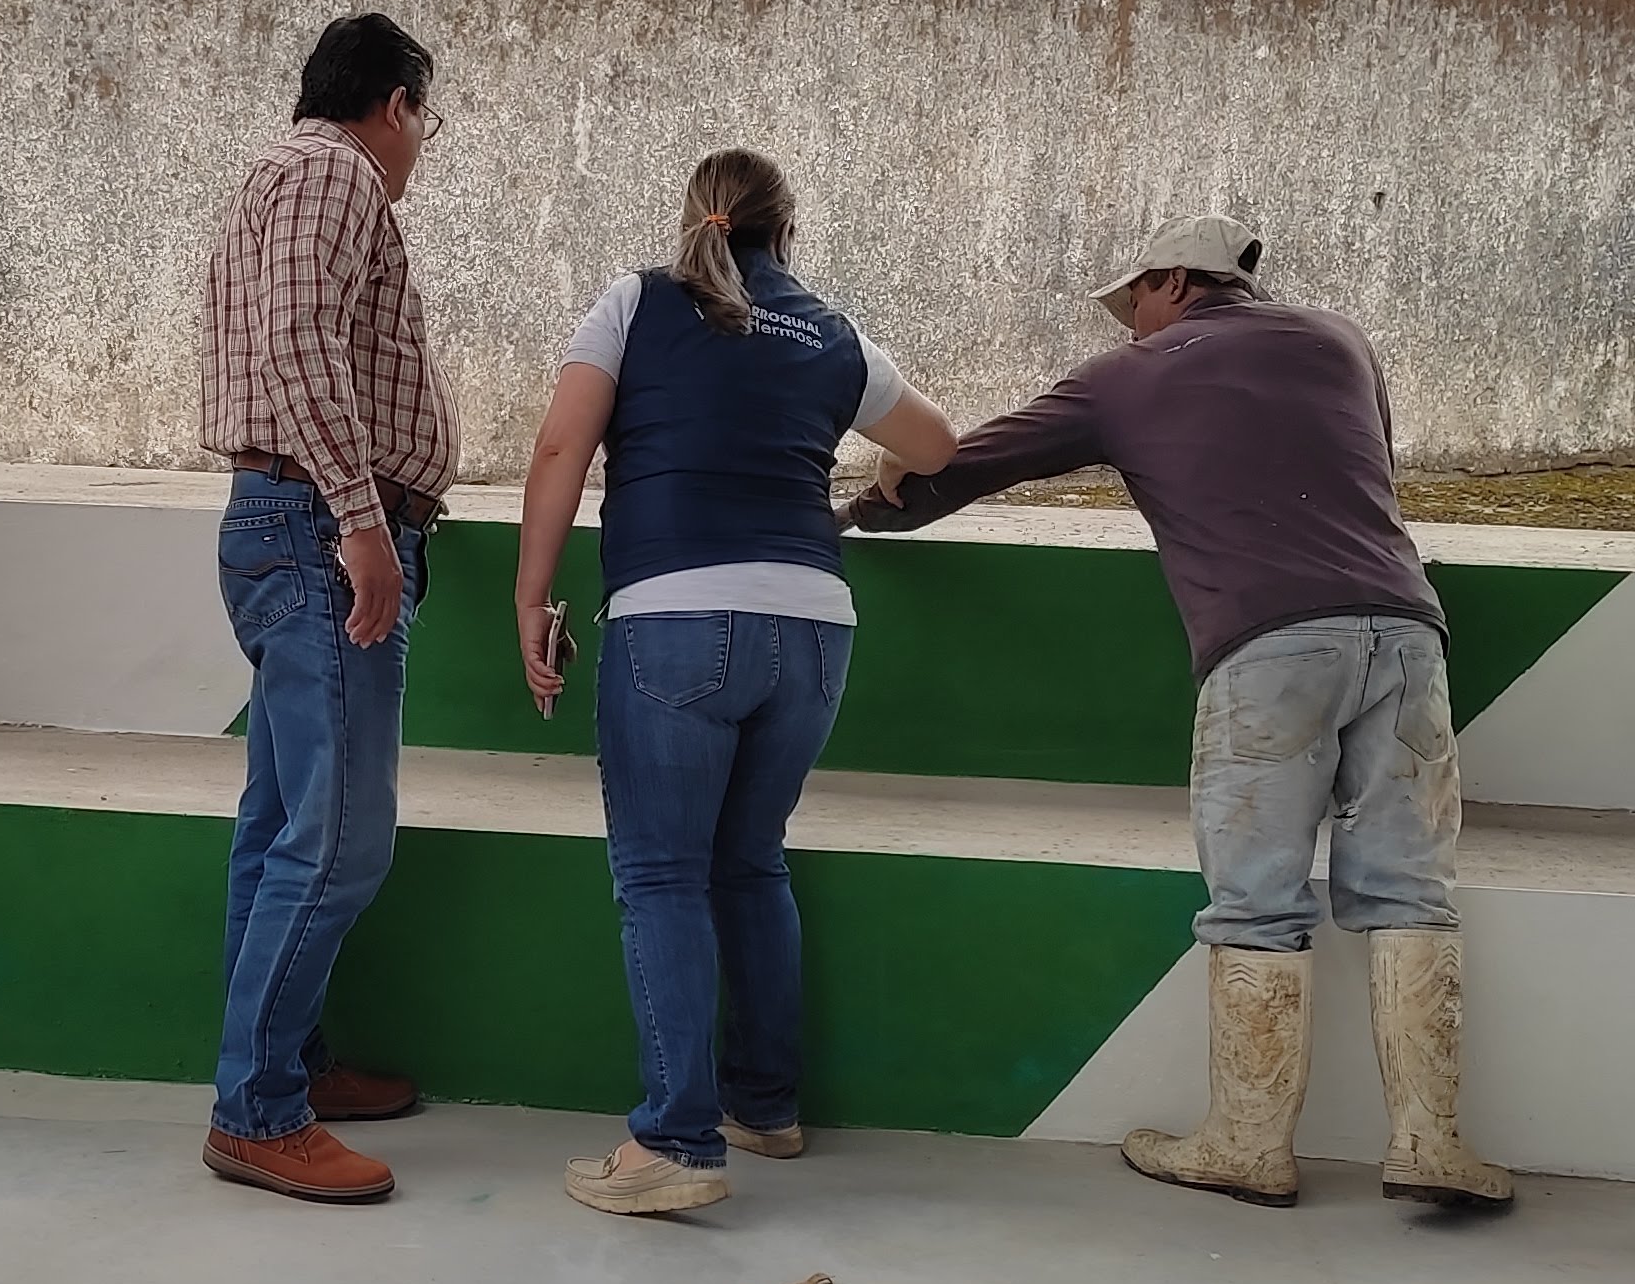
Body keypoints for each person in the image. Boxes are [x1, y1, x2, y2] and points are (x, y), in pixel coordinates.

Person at [850, 217, 1512, 1213]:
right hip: (1408, 635)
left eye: (1134, 304)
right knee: (1413, 893)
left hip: (1267, 644)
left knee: (1255, 899)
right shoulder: (1342, 341)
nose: (1130, 326)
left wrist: (864, 509)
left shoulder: (1127, 377)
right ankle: (1431, 1144)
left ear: (1171, 282)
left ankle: (1249, 1145)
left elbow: (960, 467)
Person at [513, 150, 962, 1216]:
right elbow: (939, 444)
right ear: (786, 231)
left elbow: (560, 448)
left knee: (662, 877)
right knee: (750, 863)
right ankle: (763, 1107)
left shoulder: (634, 303)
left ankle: (674, 1142)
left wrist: (530, 598)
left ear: (694, 219)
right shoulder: (833, 336)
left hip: (675, 617)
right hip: (814, 630)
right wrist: (881, 476)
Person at [193, 14, 456, 1205]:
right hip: (316, 532)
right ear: (395, 105)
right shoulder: (335, 172)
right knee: (341, 840)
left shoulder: (282, 176)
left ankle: (285, 1067)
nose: (421, 144)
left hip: (288, 525)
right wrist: (361, 521)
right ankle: (257, 1110)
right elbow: (302, 346)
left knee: (282, 827)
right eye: (425, 119)